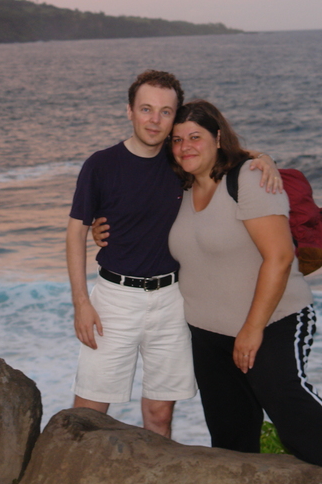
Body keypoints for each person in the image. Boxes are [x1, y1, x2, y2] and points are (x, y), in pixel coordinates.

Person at [100, 98, 322, 484]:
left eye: (195, 137)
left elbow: (281, 257)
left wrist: (251, 329)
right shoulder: (178, 187)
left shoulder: (249, 178)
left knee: (289, 403)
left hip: (272, 320)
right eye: (177, 139)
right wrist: (97, 228)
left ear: (217, 138)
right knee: (231, 437)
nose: (185, 146)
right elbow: (132, 214)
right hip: (206, 335)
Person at [66, 70, 280, 438]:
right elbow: (75, 234)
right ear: (129, 111)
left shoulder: (180, 160)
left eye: (166, 112)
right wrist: (81, 303)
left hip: (172, 302)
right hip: (114, 301)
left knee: (160, 414)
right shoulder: (100, 165)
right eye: (146, 109)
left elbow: (224, 155)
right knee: (88, 412)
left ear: (175, 116)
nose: (155, 120)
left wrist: (265, 158)